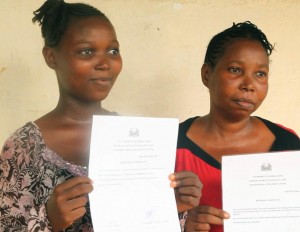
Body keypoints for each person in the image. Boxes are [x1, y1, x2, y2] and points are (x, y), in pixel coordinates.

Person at [0, 0, 202, 231]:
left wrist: (173, 208)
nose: (105, 63)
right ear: (51, 57)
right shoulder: (23, 147)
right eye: (87, 51)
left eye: (113, 51)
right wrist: (50, 220)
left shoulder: (139, 139)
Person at [175, 21, 300, 232]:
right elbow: (134, 219)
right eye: (235, 70)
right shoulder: (171, 145)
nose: (249, 84)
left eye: (260, 73)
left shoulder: (287, 143)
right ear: (207, 74)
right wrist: (181, 223)